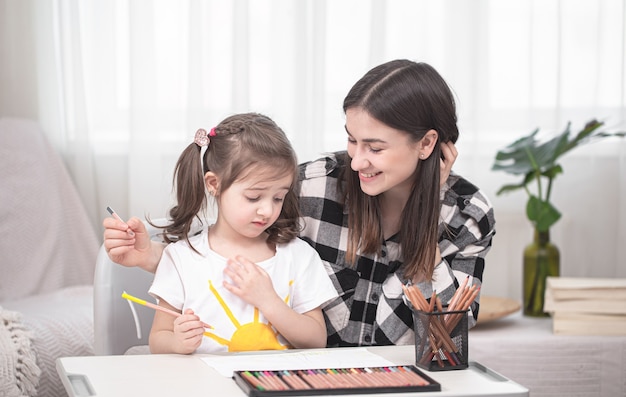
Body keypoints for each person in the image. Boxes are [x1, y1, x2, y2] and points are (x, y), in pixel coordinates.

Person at [104, 59, 495, 350]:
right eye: (351, 140)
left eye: (375, 147)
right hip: (310, 393)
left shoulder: (467, 216)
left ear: (427, 144)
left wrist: (428, 214)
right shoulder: (315, 185)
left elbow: (442, 341)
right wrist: (153, 256)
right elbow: (236, 246)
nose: (357, 161)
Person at [140, 112, 337, 354]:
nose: (267, 210)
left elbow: (317, 340)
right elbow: (158, 339)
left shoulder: (298, 256)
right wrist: (177, 342)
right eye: (253, 197)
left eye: (278, 198)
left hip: (275, 387)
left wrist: (269, 302)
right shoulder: (181, 257)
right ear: (214, 184)